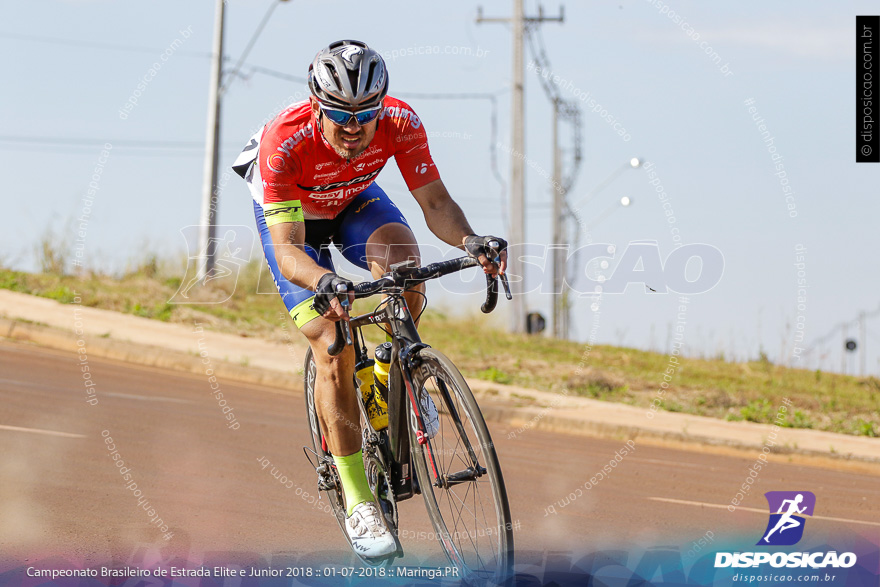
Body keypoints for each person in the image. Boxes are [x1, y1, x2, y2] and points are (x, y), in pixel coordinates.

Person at [232, 39, 507, 558]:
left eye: (366, 113)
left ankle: (393, 373)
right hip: (297, 221)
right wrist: (324, 282)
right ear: (316, 106)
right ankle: (359, 500)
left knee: (404, 265)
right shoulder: (284, 143)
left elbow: (436, 202)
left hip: (353, 199)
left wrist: (471, 240)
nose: (354, 127)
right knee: (333, 342)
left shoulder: (401, 123)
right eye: (339, 114)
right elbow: (289, 254)